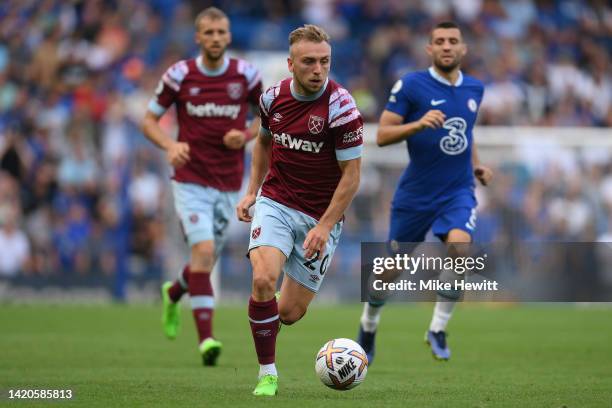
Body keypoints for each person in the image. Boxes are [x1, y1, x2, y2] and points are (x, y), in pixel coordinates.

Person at [236, 24, 363, 396]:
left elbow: (352, 177)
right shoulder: (272, 99)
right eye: (309, 62)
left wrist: (324, 226)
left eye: (325, 61)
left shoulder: (342, 108)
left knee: (289, 313)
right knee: (263, 279)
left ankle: (264, 313)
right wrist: (251, 192)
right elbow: (262, 144)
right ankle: (267, 374)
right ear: (291, 63)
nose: (318, 69)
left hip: (321, 217)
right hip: (276, 202)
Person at [356, 21, 493, 363]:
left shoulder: (475, 88)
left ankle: (437, 328)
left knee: (460, 248)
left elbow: (465, 134)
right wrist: (417, 124)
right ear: (429, 49)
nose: (447, 46)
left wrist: (476, 165)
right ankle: (368, 325)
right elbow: (382, 135)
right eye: (440, 41)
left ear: (463, 49)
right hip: (416, 194)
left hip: (458, 191)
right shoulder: (412, 85)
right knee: (392, 268)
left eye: (453, 41)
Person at [141, 7, 263, 366]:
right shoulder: (179, 75)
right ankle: (207, 340)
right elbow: (148, 120)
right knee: (205, 250)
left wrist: (244, 135)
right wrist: (170, 145)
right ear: (198, 37)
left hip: (228, 183)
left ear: (229, 36)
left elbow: (269, 119)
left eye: (221, 32)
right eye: (208, 32)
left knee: (203, 261)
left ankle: (174, 291)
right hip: (190, 179)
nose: (215, 38)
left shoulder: (246, 76)